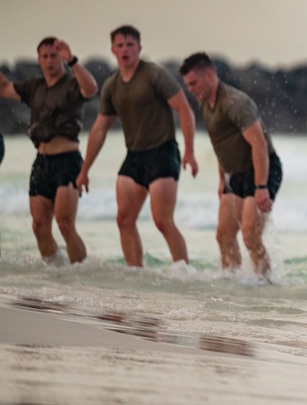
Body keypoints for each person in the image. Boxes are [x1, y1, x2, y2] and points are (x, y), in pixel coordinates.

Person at [77, 25, 198, 267]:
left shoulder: (155, 74)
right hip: (134, 156)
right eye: (120, 45)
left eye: (130, 45)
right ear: (113, 49)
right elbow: (100, 129)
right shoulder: (112, 86)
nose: (125, 50)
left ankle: (185, 274)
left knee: (162, 221)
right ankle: (136, 273)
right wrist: (84, 171)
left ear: (139, 48)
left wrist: (189, 150)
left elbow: (184, 109)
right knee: (123, 220)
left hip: (163, 152)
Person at [180, 53, 281, 278]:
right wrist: (221, 180)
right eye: (187, 85)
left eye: (194, 83)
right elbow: (222, 144)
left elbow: (260, 145)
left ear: (209, 75)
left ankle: (265, 284)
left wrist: (261, 186)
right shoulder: (205, 103)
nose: (190, 89)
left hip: (262, 169)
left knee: (250, 237)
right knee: (224, 236)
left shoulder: (235, 102)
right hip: (234, 173)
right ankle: (233, 283)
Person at [0, 38, 97, 263]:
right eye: (45, 56)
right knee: (39, 226)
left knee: (64, 224)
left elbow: (91, 89)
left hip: (68, 161)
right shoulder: (35, 86)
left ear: (61, 58)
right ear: (39, 60)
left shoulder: (72, 84)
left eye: (54, 56)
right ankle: (57, 273)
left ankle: (80, 274)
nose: (49, 60)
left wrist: (72, 60)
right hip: (41, 162)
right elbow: (4, 88)